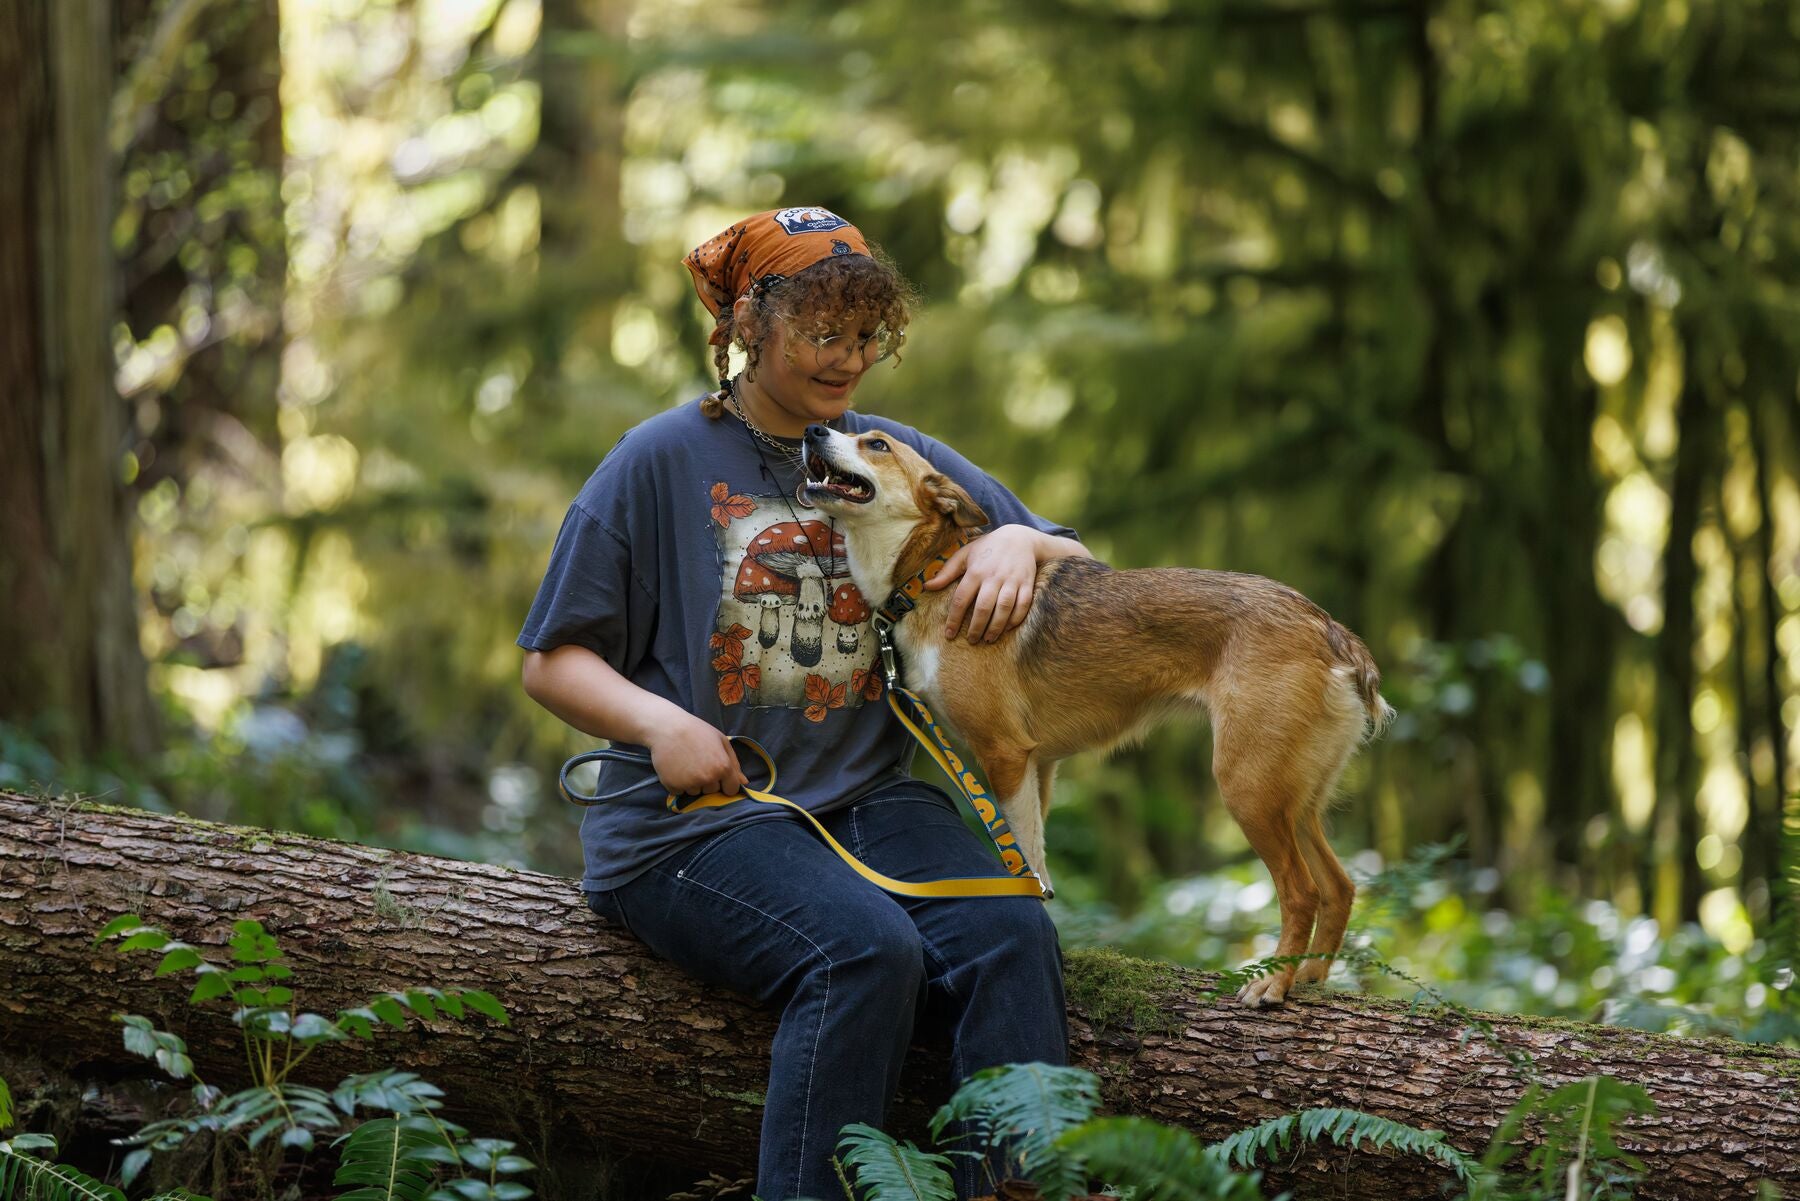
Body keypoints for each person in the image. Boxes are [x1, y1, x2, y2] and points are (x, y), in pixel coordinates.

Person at [517, 206, 1090, 1200]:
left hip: (867, 803)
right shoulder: (656, 461)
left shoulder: (882, 450)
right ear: (750, 322)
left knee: (1011, 931)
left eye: (866, 336)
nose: (848, 358)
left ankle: (1011, 1186)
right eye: (823, 333)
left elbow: (1074, 553)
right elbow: (552, 660)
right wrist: (662, 724)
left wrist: (1018, 542)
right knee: (863, 952)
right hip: (692, 829)